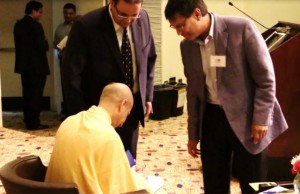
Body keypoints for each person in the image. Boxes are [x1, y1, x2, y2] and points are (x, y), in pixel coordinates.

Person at [164, 0, 288, 193]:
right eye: (174, 27)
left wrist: (261, 119)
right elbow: (194, 92)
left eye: (181, 25)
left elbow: (265, 79)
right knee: (214, 181)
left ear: (197, 14)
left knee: (254, 183)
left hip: (248, 118)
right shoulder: (186, 46)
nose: (179, 32)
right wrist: (193, 134)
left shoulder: (241, 28)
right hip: (212, 117)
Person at [62, 0, 157, 159]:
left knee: (128, 160)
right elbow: (71, 75)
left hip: (131, 106)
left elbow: (150, 57)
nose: (128, 21)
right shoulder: (86, 25)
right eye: (123, 14)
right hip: (99, 113)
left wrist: (147, 96)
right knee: (102, 162)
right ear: (111, 3)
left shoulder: (143, 18)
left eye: (134, 15)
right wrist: (81, 117)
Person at [45, 83, 152, 194]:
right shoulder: (109, 137)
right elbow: (121, 189)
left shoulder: (69, 121)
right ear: (123, 104)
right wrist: (140, 180)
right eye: (127, 114)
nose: (123, 122)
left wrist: (125, 171)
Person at [13, 0, 50, 130]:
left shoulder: (18, 25)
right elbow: (42, 45)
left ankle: (28, 119)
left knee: (27, 94)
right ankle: (34, 122)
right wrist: (46, 43)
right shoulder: (36, 26)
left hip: (24, 67)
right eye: (40, 12)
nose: (41, 14)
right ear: (33, 11)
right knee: (36, 96)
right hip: (37, 67)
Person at [53, 3, 77, 116]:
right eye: (66, 13)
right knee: (65, 86)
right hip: (63, 60)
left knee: (77, 86)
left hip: (77, 61)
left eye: (71, 13)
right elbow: (55, 45)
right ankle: (67, 112)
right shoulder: (59, 28)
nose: (68, 16)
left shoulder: (79, 26)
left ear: (74, 14)